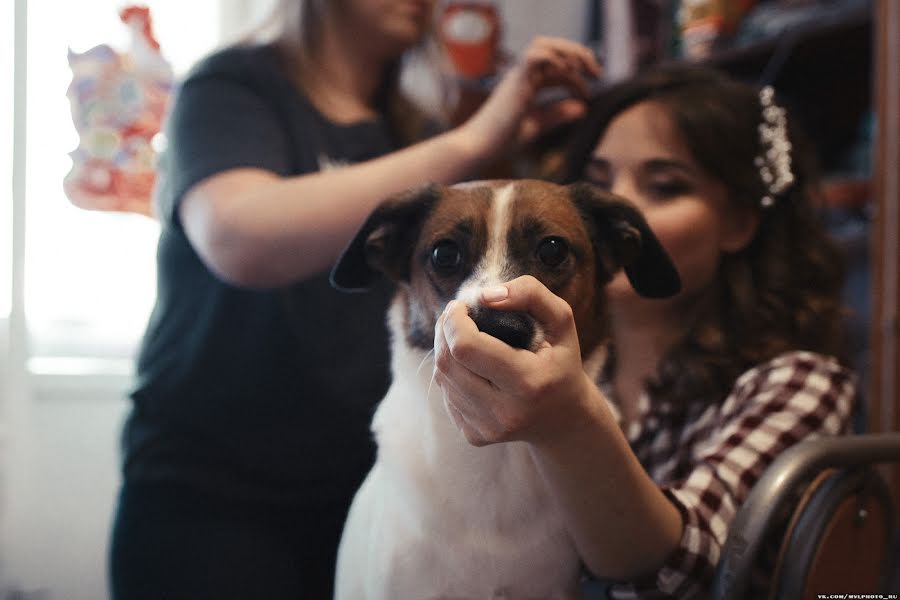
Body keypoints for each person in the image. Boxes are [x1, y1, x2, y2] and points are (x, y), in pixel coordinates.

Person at [108, 1, 601, 599]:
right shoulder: (232, 87)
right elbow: (238, 237)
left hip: (362, 475)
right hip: (215, 491)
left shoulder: (409, 130)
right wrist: (472, 140)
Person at [432, 64, 857, 598]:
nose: (620, 207)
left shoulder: (797, 386)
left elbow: (691, 565)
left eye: (664, 185)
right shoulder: (570, 372)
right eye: (598, 179)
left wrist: (568, 423)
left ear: (738, 222)